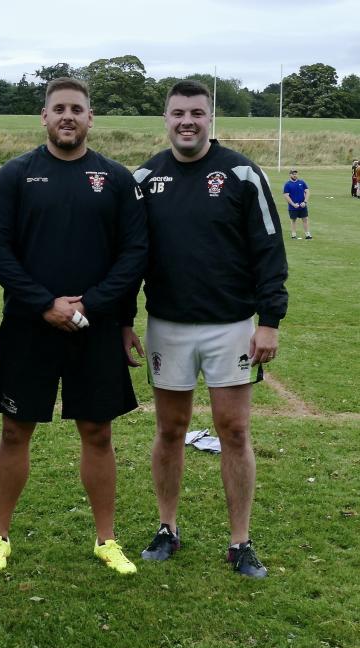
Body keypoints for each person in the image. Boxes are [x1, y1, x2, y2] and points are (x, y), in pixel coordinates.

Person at [0, 77, 148, 575]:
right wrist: (43, 303)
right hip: (29, 325)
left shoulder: (115, 179)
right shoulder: (15, 176)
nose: (68, 116)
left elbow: (134, 252)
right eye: (59, 109)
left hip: (94, 327)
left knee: (97, 432)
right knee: (14, 430)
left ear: (90, 118)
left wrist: (89, 306)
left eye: (77, 108)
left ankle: (106, 539)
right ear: (44, 117)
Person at [127, 79, 288, 579]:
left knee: (234, 430)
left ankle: (240, 541)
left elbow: (268, 249)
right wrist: (120, 321)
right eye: (178, 114)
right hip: (167, 326)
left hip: (230, 326)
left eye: (197, 113)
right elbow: (129, 258)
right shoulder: (145, 177)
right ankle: (167, 528)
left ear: (210, 118)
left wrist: (270, 321)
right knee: (170, 429)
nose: (187, 122)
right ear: (166, 119)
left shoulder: (241, 172)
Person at [283, 168, 311, 239]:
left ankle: (307, 234)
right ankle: (293, 235)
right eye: (293, 174)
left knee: (305, 219)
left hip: (302, 206)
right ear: (290, 175)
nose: (295, 175)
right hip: (293, 207)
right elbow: (286, 195)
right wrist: (293, 204)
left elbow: (307, 192)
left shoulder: (302, 182)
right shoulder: (287, 184)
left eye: (296, 174)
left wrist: (305, 202)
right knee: (293, 220)